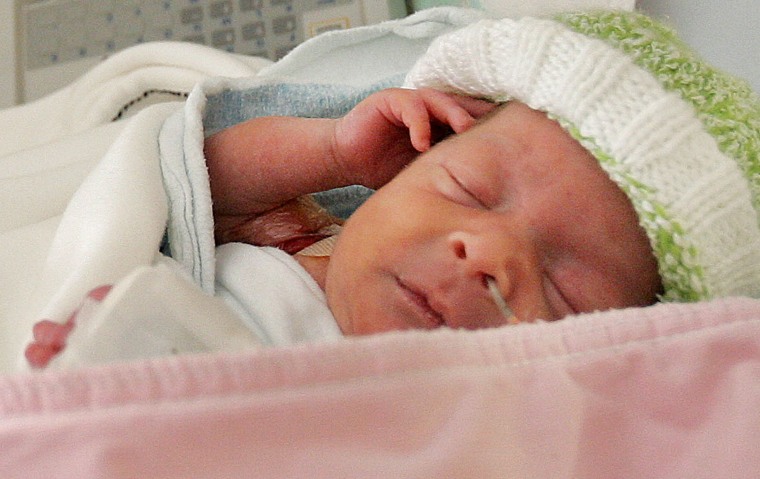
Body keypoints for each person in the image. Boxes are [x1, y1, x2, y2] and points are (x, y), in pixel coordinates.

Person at [25, 10, 760, 369]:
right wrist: (331, 151)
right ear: (410, 163)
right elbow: (188, 184)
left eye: (565, 288)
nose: (487, 251)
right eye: (470, 190)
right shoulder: (303, 235)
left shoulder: (482, 426)